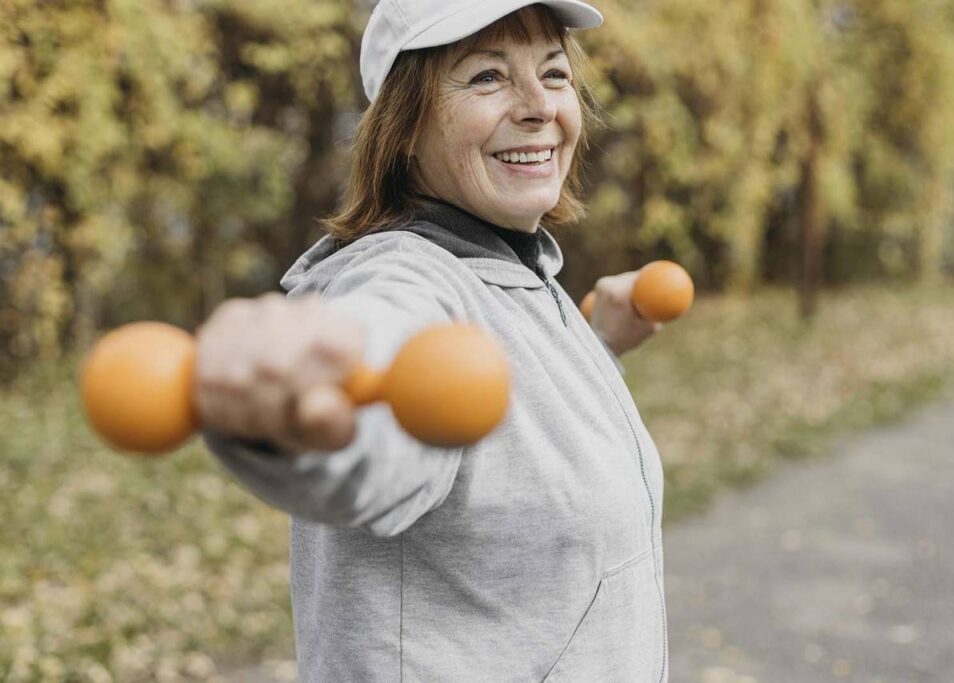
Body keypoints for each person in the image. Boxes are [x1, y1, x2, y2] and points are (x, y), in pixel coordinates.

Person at [197, 1, 669, 680]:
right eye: (486, 77)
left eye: (555, 72)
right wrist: (301, 421)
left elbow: (502, 432)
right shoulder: (401, 279)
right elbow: (383, 398)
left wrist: (593, 346)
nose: (539, 105)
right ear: (406, 127)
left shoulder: (513, 269)